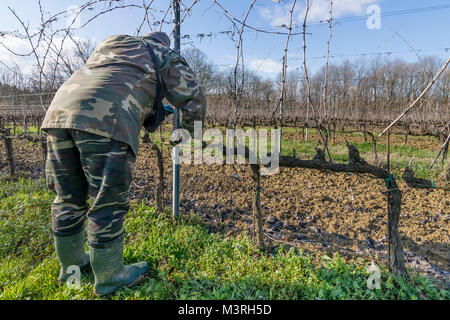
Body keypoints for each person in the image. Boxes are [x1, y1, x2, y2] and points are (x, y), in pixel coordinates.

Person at [41, 31, 207, 296]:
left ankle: (71, 268)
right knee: (106, 201)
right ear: (162, 44)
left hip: (58, 114)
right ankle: (110, 277)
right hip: (105, 119)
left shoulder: (110, 47)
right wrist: (188, 134)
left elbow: (114, 82)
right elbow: (193, 96)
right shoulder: (161, 53)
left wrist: (151, 109)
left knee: (68, 197)